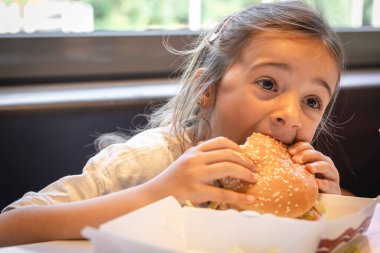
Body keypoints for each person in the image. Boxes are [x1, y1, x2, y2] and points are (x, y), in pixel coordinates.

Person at [0, 0, 344, 247]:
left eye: (312, 101)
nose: (291, 114)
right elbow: (11, 225)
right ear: (206, 89)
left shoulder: (293, 183)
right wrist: (158, 192)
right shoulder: (145, 162)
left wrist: (334, 202)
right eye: (268, 84)